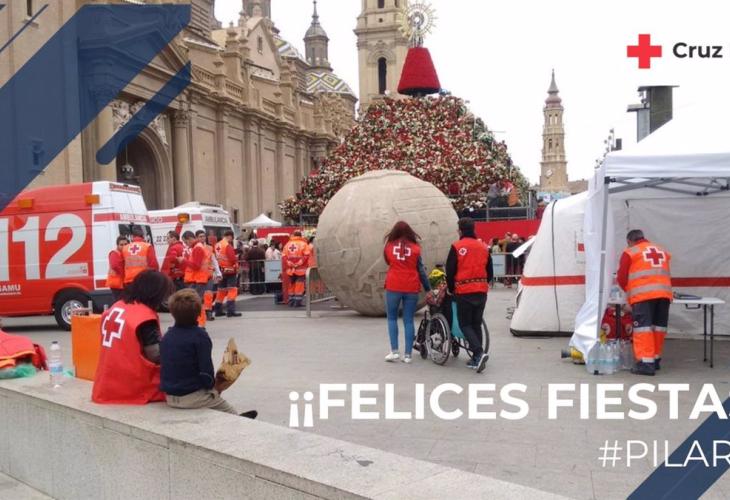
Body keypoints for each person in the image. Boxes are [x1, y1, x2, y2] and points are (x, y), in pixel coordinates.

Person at [160, 289, 257, 418]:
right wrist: (215, 388)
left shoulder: (167, 336)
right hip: (192, 397)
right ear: (199, 312)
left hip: (170, 396)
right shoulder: (200, 336)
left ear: (172, 312)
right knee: (231, 413)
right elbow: (206, 372)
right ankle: (237, 418)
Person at [92, 270, 174, 404]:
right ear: (155, 294)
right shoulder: (144, 317)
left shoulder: (116, 306)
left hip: (105, 384)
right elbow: (156, 356)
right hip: (132, 385)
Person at [617, 229, 673, 376]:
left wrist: (630, 293)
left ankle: (645, 364)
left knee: (643, 329)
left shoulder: (630, 252)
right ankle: (655, 360)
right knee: (658, 328)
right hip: (664, 295)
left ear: (629, 241)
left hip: (643, 296)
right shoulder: (661, 250)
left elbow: (621, 278)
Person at [445, 217, 492, 373]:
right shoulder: (483, 247)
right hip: (481, 290)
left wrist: (451, 288)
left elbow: (450, 271)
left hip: (464, 291)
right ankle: (476, 357)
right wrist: (483, 283)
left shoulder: (457, 247)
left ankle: (478, 353)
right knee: (476, 323)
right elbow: (490, 271)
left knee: (465, 324)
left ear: (460, 231)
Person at [383, 221, 431, 363]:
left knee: (392, 318)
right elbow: (421, 270)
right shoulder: (416, 248)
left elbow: (388, 261)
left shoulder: (389, 246)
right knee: (408, 320)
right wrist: (428, 288)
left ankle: (394, 351)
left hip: (394, 284)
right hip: (411, 286)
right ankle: (408, 355)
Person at [181, 230, 212, 327]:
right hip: (199, 279)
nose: (186, 244)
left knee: (196, 303)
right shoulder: (198, 247)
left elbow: (196, 266)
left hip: (198, 280)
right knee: (197, 303)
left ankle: (200, 324)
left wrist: (184, 261)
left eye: (185, 242)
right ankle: (199, 324)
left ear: (190, 239)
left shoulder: (197, 248)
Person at [213, 230, 242, 318]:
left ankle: (218, 310)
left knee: (221, 290)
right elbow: (232, 259)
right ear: (230, 236)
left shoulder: (217, 245)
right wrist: (237, 263)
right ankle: (230, 311)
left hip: (221, 270)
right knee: (232, 290)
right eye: (232, 238)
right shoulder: (227, 245)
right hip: (230, 270)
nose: (231, 240)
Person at [282, 231, 310, 307]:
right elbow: (306, 255)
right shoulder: (304, 244)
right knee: (299, 285)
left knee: (292, 284)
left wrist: (290, 263)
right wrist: (298, 263)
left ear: (293, 235)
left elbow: (284, 256)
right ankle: (297, 302)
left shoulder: (287, 244)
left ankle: (291, 301)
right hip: (300, 269)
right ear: (301, 236)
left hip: (290, 269)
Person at [106, 235, 128, 302]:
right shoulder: (114, 253)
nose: (124, 246)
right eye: (121, 245)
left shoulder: (125, 253)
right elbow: (115, 266)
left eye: (125, 244)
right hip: (116, 284)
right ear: (117, 245)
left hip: (121, 283)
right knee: (119, 302)